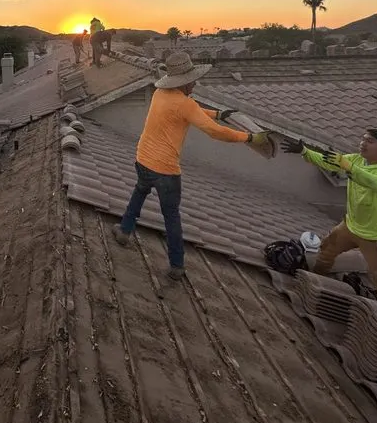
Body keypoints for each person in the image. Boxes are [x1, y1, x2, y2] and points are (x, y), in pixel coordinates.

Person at [113, 52, 272, 280]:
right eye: (193, 81)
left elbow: (192, 112)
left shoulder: (160, 93)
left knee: (139, 192)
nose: (195, 84)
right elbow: (214, 131)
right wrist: (249, 138)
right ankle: (176, 265)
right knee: (171, 216)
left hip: (143, 159)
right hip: (165, 170)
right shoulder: (185, 104)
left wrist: (217, 113)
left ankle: (124, 230)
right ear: (184, 82)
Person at [281, 129, 377, 306]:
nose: (363, 143)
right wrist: (305, 152)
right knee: (326, 250)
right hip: (350, 226)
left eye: (370, 141)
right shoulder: (356, 160)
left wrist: (350, 168)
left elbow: (376, 183)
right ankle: (314, 281)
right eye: (363, 139)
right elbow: (330, 162)